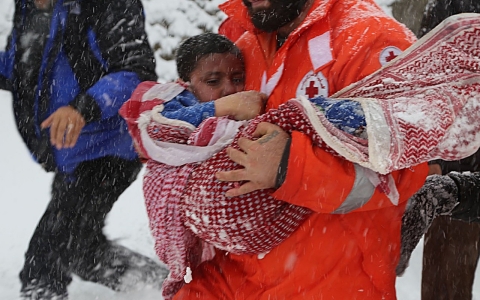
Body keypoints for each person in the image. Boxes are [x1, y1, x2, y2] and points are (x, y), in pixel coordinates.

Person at [163, 0, 431, 299]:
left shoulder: (370, 37)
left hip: (330, 284)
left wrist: (290, 165)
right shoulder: (242, 48)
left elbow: (407, 169)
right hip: (229, 279)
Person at [0, 0, 168, 299]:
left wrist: (84, 107)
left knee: (45, 261)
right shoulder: (30, 8)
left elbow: (136, 73)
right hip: (70, 152)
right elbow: (24, 69)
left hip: (110, 147)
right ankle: (161, 286)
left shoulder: (108, 4)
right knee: (81, 250)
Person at [417, 1, 480, 299]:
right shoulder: (450, 6)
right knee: (446, 288)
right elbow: (422, 86)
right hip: (457, 176)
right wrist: (436, 161)